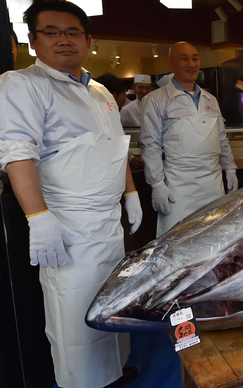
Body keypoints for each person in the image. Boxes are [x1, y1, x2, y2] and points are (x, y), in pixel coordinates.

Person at [0, 2, 142, 387]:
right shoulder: (22, 84)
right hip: (67, 224)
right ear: (33, 41)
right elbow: (17, 154)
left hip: (108, 223)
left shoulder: (100, 92)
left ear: (88, 40)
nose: (63, 40)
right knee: (73, 312)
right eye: (51, 32)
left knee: (113, 300)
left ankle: (115, 370)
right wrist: (38, 218)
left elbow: (116, 147)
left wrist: (130, 191)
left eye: (72, 32)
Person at [140, 42, 238, 237]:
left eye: (195, 58)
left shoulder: (210, 99)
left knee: (213, 237)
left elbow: (221, 138)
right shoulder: (155, 99)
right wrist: (157, 184)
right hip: (178, 185)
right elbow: (150, 145)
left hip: (213, 182)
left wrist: (230, 168)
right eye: (184, 58)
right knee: (177, 239)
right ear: (171, 64)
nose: (191, 63)